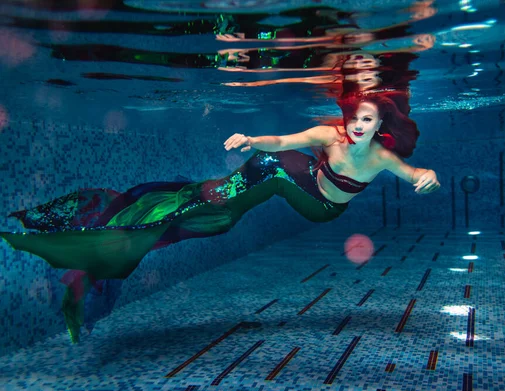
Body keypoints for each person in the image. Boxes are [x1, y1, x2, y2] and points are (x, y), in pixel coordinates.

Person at [0, 92, 439, 343]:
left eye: (366, 119)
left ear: (379, 124)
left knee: (274, 168)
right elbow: (284, 138)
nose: (356, 126)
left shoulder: (379, 156)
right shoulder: (331, 135)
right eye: (353, 117)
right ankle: (209, 201)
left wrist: (427, 175)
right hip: (303, 177)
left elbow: (412, 171)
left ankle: (216, 200)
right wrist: (251, 138)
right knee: (271, 162)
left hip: (320, 206)